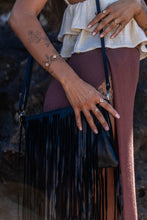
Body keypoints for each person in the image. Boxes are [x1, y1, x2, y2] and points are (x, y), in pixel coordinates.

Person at [8, 0, 147, 219]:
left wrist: (138, 7)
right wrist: (71, 83)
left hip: (108, 78)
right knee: (99, 201)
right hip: (89, 85)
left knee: (106, 198)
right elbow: (20, 16)